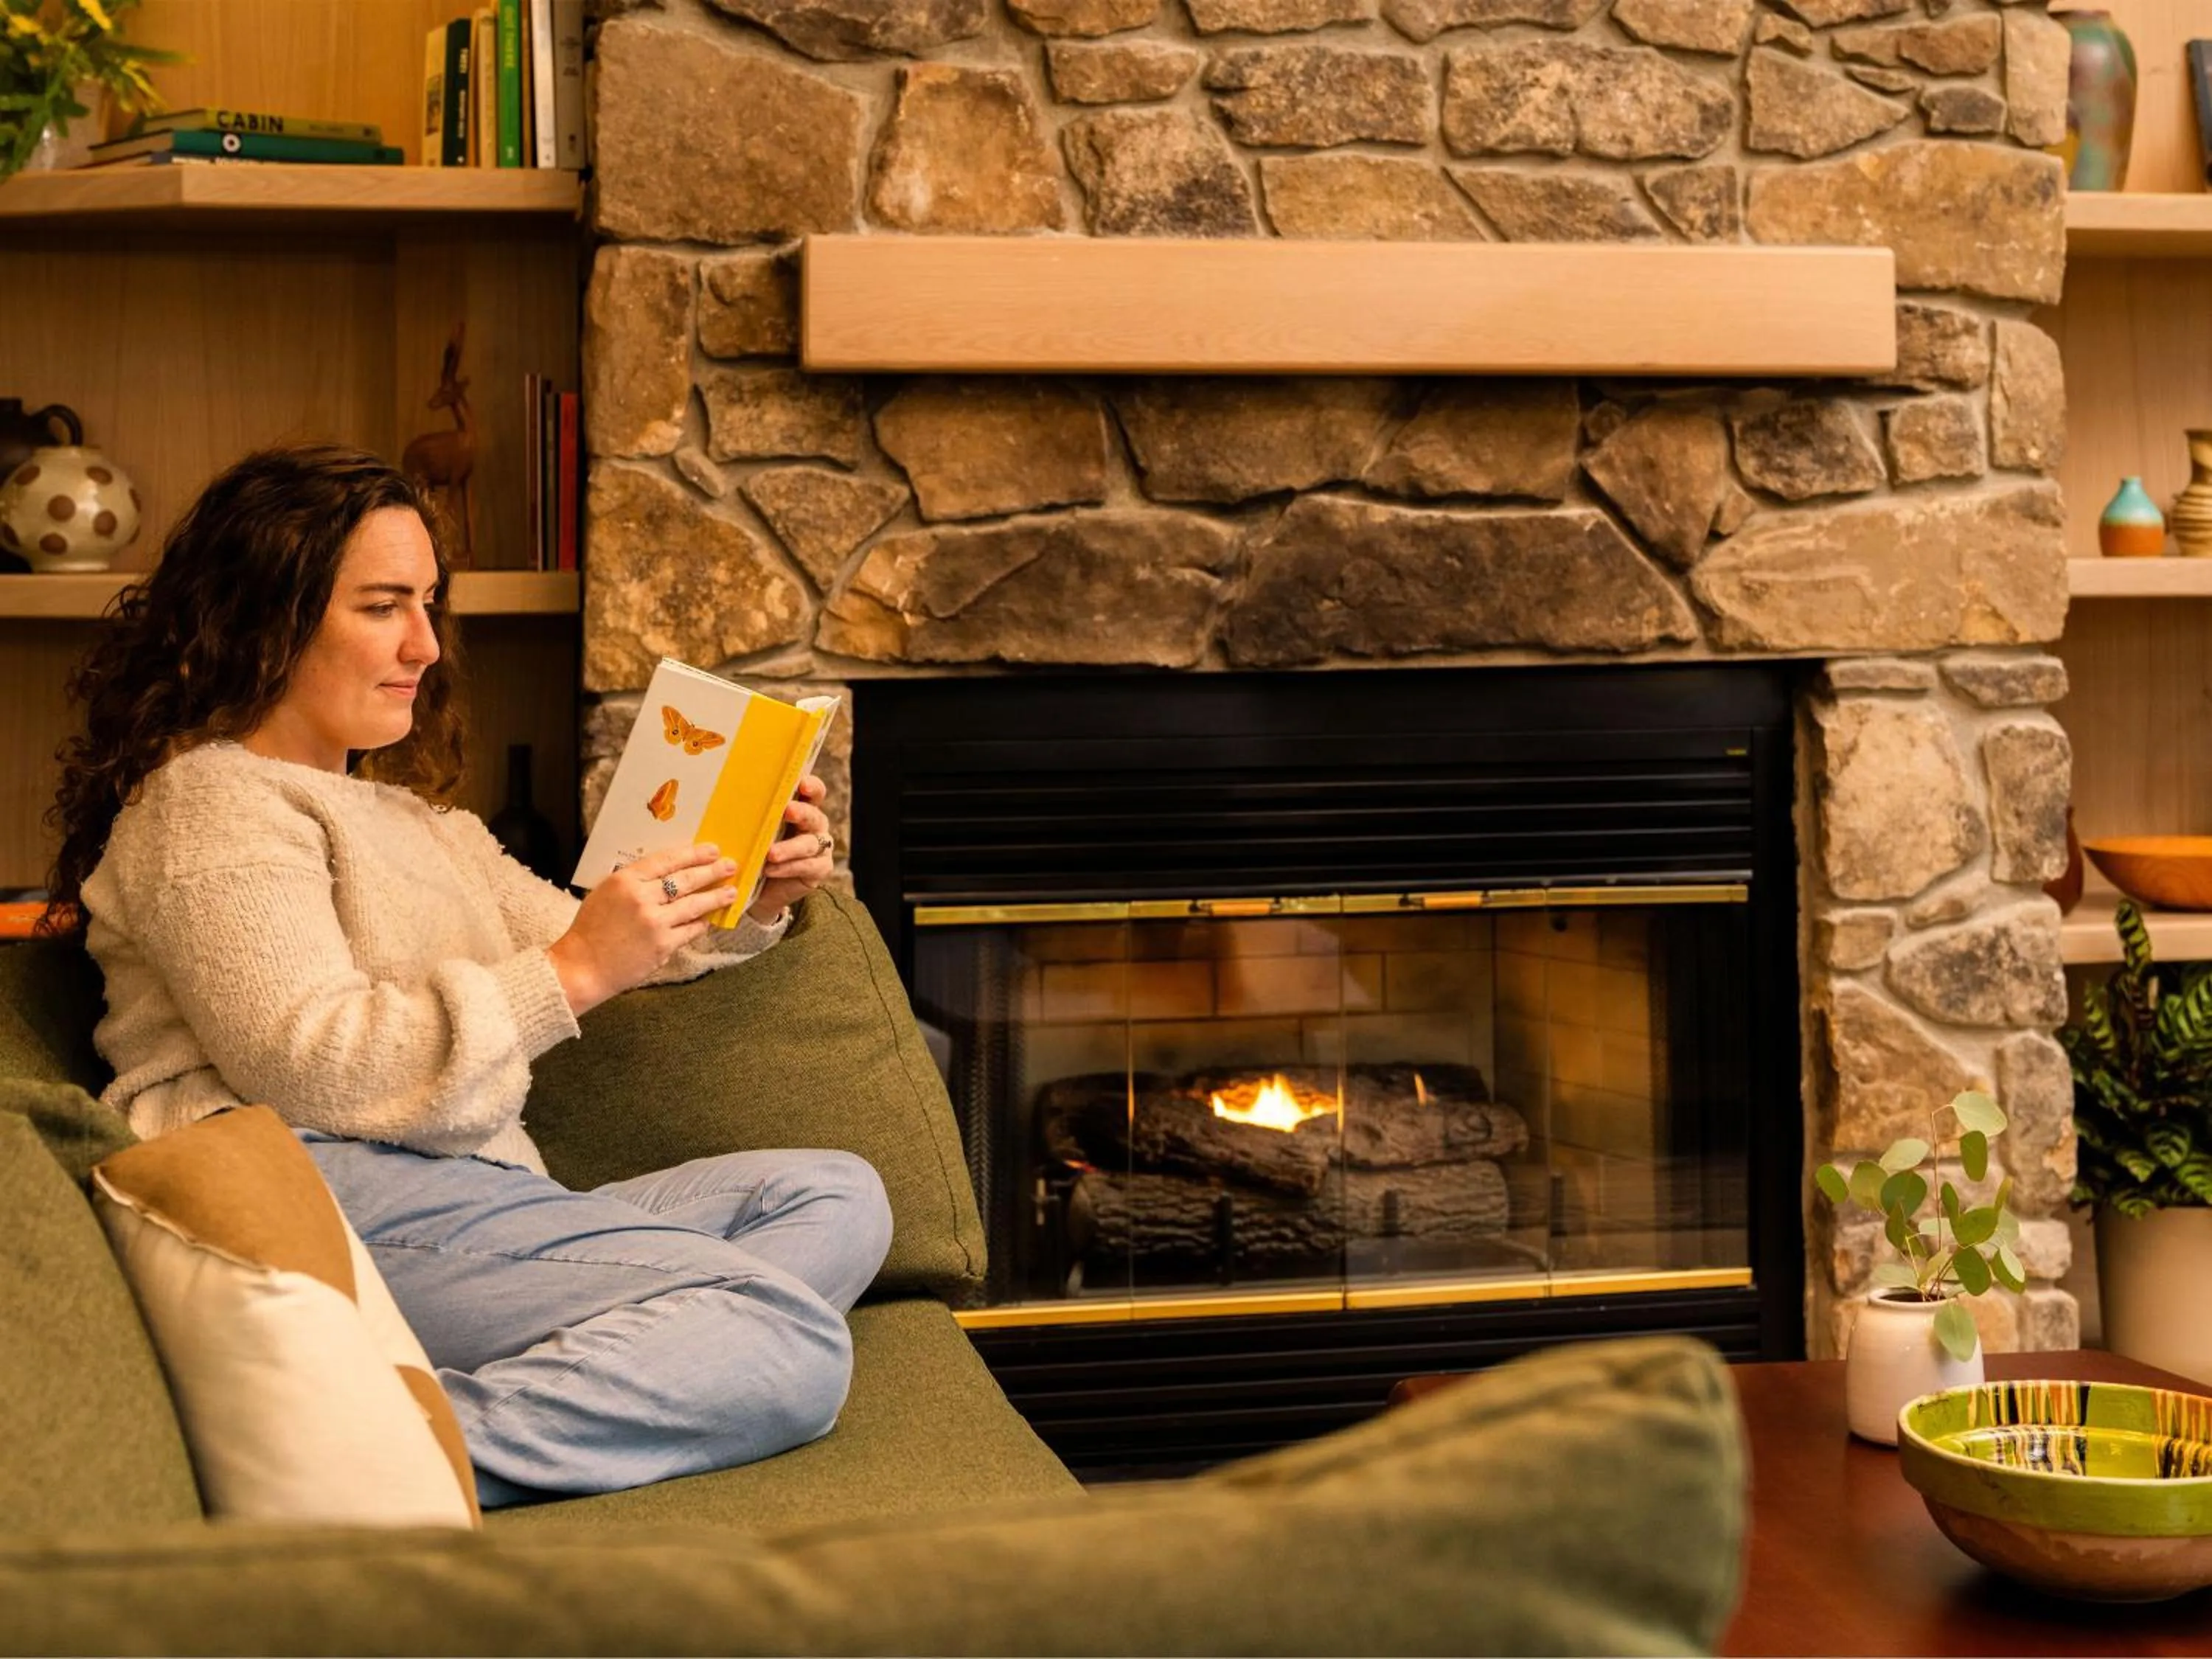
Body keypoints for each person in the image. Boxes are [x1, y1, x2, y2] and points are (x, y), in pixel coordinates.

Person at [44, 442, 892, 1506]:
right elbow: (311, 1065)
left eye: (428, 605)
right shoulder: (210, 803)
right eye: (383, 606)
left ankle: (517, 1371)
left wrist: (751, 894)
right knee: (791, 1343)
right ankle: (399, 1462)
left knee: (837, 1193)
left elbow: (594, 935)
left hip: (465, 1190)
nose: (425, 646)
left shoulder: (421, 824)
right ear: (269, 617)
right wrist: (574, 971)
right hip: (312, 1192)